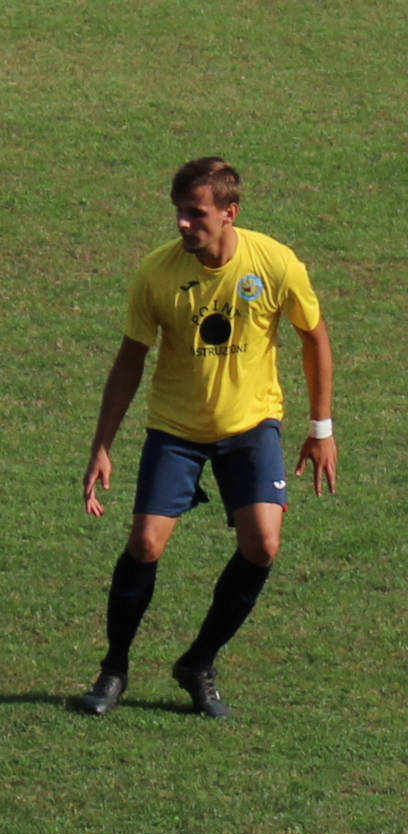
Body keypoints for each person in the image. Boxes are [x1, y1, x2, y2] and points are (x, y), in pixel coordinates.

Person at [77, 157, 335, 717]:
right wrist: (102, 445)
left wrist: (322, 428)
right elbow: (129, 361)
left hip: (250, 427)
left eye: (195, 214)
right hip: (176, 428)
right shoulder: (157, 273)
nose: (182, 224)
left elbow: (314, 337)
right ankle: (114, 668)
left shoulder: (274, 264)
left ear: (229, 213)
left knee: (263, 545)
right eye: (178, 212)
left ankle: (198, 662)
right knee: (145, 543)